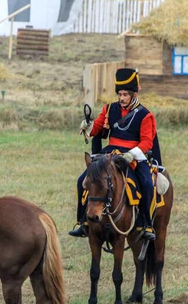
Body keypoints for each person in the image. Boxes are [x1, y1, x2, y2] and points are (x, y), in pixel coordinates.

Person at [69, 68, 162, 241]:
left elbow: (147, 142)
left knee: (147, 184)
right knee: (83, 180)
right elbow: (97, 128)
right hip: (109, 153)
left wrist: (131, 155)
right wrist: (87, 126)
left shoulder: (146, 115)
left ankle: (145, 223)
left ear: (134, 94)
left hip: (134, 155)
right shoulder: (109, 109)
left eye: (126, 94)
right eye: (120, 94)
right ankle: (83, 222)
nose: (122, 98)